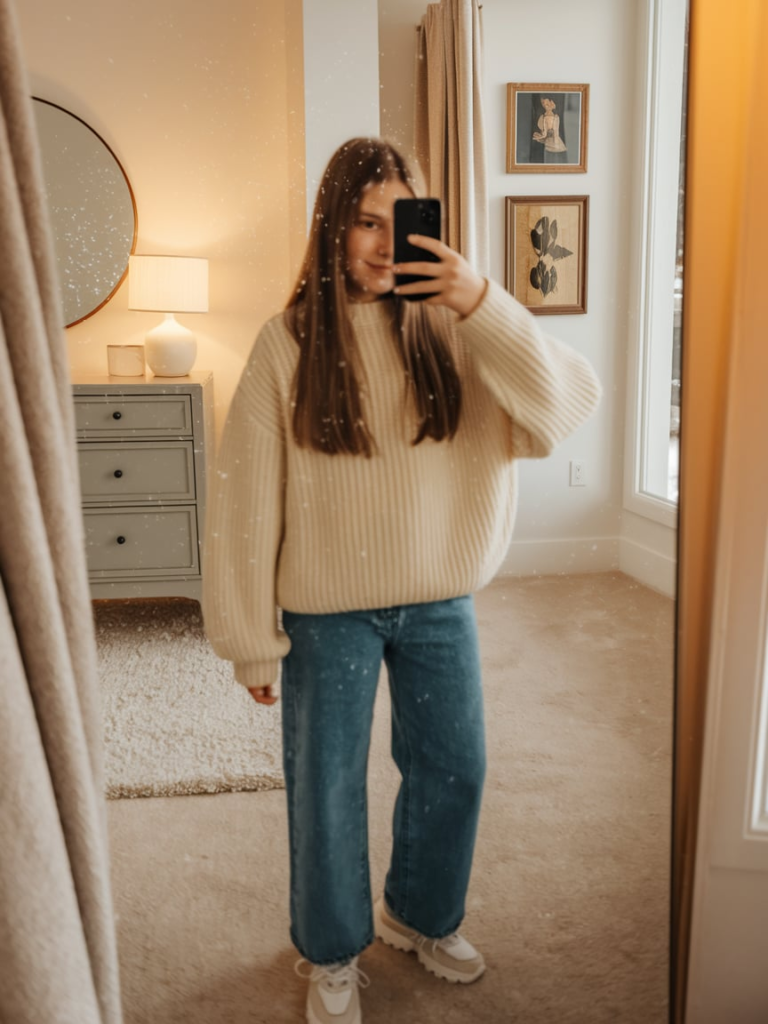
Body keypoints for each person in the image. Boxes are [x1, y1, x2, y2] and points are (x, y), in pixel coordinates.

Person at [202, 137, 601, 1024]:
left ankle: (418, 916)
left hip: (439, 601)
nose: (384, 246)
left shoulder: (460, 331)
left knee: (457, 766)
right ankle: (333, 949)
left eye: (402, 223)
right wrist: (248, 639)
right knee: (327, 785)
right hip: (324, 613)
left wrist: (482, 301)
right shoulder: (287, 343)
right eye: (365, 223)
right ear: (333, 229)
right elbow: (242, 502)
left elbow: (562, 407)